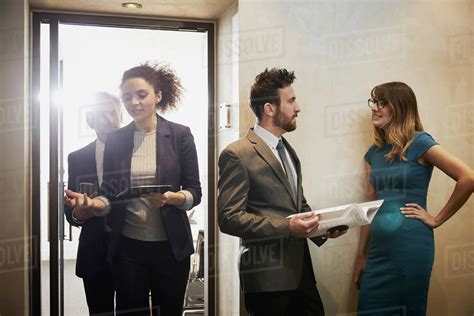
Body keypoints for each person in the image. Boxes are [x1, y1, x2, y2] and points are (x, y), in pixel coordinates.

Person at [64, 63, 202, 316]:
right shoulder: (118, 140)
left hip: (171, 247)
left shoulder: (180, 135)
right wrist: (94, 205)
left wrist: (175, 198)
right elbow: (109, 193)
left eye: (141, 95)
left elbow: (195, 191)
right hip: (128, 248)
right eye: (127, 97)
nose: (134, 103)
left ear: (157, 95)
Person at [217, 68, 346, 316]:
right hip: (267, 279)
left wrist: (325, 228)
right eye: (291, 101)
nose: (298, 108)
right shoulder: (237, 154)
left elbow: (298, 205)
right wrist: (288, 228)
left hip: (302, 275)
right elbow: (229, 218)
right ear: (269, 109)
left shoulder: (287, 149)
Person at [354, 82, 474, 315]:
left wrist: (436, 219)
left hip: (410, 249)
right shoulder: (372, 154)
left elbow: (468, 178)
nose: (375, 108)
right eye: (373, 102)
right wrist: (360, 256)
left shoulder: (419, 143)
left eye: (382, 103)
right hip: (378, 253)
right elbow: (368, 207)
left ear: (399, 108)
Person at [64, 92, 121, 315]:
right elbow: (71, 212)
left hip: (132, 252)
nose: (108, 119)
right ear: (90, 120)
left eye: (113, 112)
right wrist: (79, 214)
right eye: (101, 114)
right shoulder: (77, 158)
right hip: (94, 253)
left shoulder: (138, 154)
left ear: (120, 115)